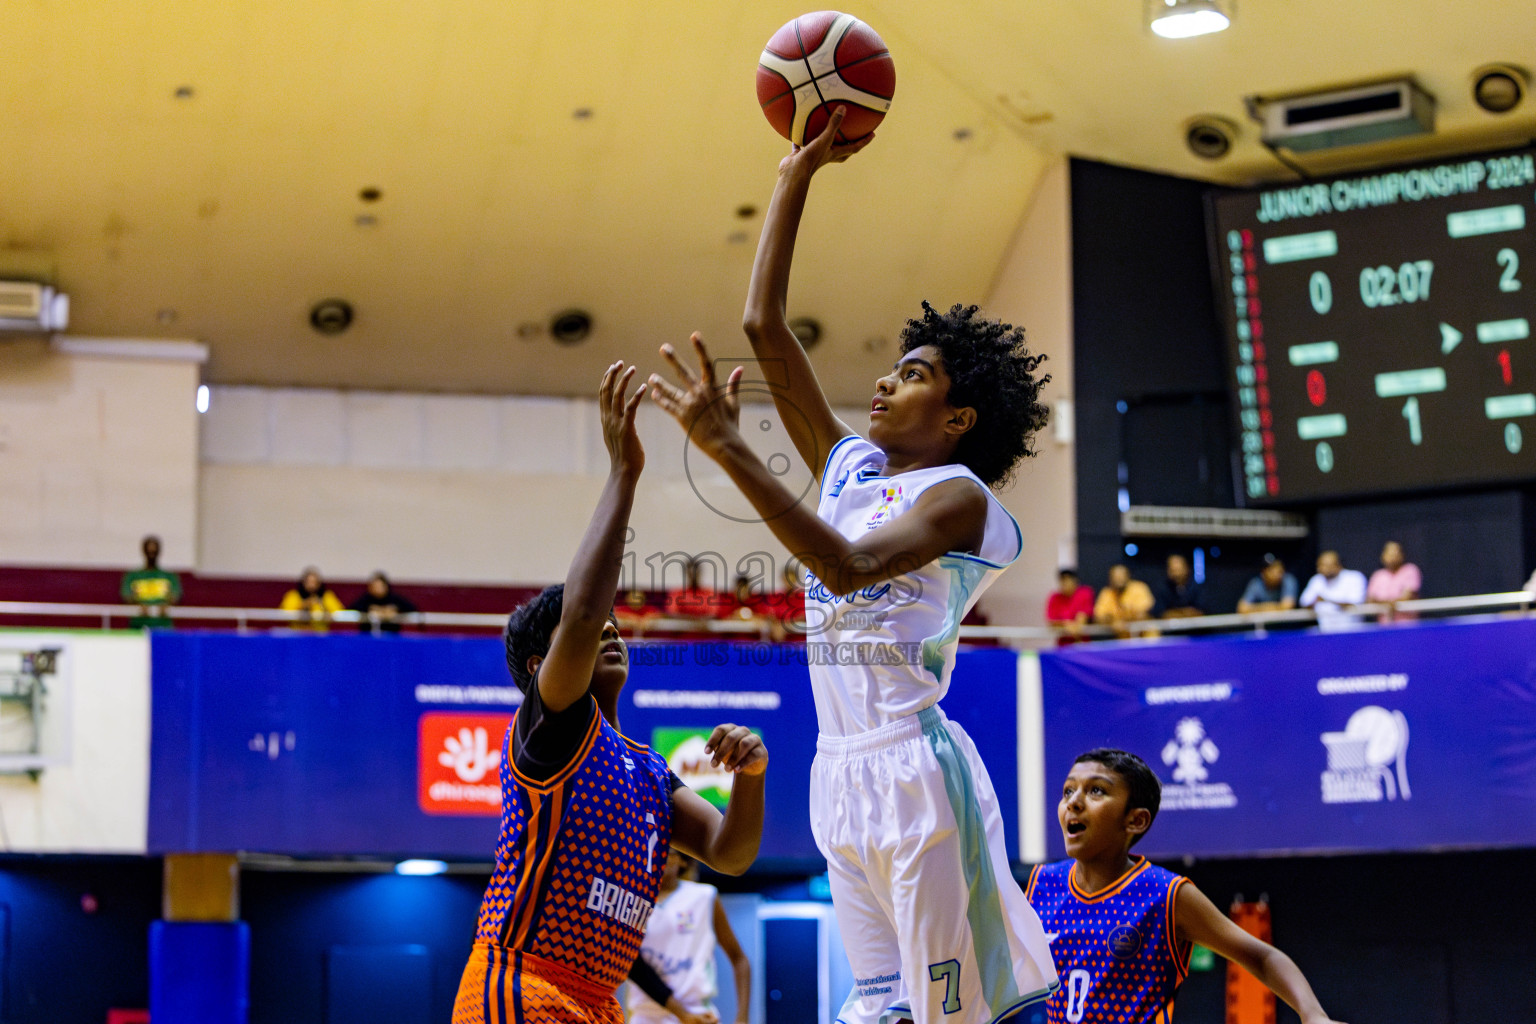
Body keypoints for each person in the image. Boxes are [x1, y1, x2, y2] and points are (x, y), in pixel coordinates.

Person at [646, 106, 1057, 1024]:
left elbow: (841, 567)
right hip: (836, 775)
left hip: (917, 773)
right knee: (876, 1009)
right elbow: (763, 322)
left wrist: (728, 448)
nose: (884, 380)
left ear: (957, 421)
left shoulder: (959, 498)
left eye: (912, 374)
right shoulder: (852, 468)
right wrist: (796, 176)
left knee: (958, 1012)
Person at [452, 363, 768, 1024]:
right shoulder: (555, 729)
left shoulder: (650, 772)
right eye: (598, 628)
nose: (611, 631)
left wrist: (753, 777)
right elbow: (586, 609)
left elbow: (731, 855)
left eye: (616, 626)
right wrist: (625, 472)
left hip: (599, 1003)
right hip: (523, 985)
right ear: (546, 663)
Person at [1026, 749, 1346, 1024]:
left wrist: (1312, 1014)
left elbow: (1262, 957)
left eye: (1096, 791)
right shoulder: (1042, 884)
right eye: (1068, 791)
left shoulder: (1166, 895)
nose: (1074, 802)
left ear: (1135, 820)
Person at [626, 850, 751, 1024]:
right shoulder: (632, 899)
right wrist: (681, 1013)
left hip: (699, 1013)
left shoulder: (704, 896)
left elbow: (739, 959)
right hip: (646, 1015)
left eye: (669, 854)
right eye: (654, 852)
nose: (661, 858)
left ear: (684, 861)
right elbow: (634, 967)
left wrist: (742, 1018)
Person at [119, 534, 181, 630]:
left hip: (163, 626)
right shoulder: (132, 576)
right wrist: (139, 604)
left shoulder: (170, 576)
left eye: (154, 551)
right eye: (149, 551)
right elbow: (127, 596)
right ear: (144, 551)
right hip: (138, 626)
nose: (151, 553)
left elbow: (175, 596)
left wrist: (166, 604)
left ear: (159, 552)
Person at [1298, 551, 1367, 618]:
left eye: (1327, 565)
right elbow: (1304, 602)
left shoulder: (1354, 577)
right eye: (1320, 565)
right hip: (1324, 628)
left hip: (1353, 628)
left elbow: (1355, 603)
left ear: (1338, 565)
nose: (1323, 569)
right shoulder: (1317, 580)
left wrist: (1325, 599)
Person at [1092, 565, 1155, 635]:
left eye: (1121, 576)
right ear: (1110, 579)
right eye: (1115, 577)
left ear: (1128, 576)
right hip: (1123, 641)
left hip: (1147, 639)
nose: (1119, 579)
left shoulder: (1139, 588)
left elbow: (1141, 615)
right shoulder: (1107, 593)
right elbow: (1099, 617)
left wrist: (1121, 622)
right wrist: (1112, 622)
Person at [349, 571, 418, 634]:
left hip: (392, 636)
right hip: (368, 636)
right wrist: (370, 610)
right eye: (374, 586)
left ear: (386, 587)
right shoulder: (365, 599)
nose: (377, 589)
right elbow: (350, 610)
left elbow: (412, 608)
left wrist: (395, 610)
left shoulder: (395, 599)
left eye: (380, 586)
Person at [279, 567, 344, 631]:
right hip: (297, 634)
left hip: (320, 635)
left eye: (314, 582)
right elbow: (285, 614)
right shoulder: (293, 595)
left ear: (319, 583)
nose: (311, 585)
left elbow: (339, 613)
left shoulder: (327, 596)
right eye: (309, 582)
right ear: (303, 582)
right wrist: (303, 605)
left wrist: (324, 607)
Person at [1366, 541, 1421, 615]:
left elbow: (1406, 598)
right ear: (1383, 556)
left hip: (1407, 624)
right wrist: (1389, 604)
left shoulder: (1410, 570)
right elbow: (1370, 600)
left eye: (1395, 553)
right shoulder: (1378, 575)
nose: (1392, 557)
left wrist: (1382, 603)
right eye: (1390, 554)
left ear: (1402, 555)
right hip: (1384, 624)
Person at [1045, 569, 1094, 644]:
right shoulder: (1054, 597)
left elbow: (1083, 616)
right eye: (1062, 581)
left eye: (1068, 580)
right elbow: (1052, 621)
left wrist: (1076, 626)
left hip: (1083, 644)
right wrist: (1067, 625)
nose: (1065, 584)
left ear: (1075, 581)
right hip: (1063, 645)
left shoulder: (1085, 592)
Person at [1153, 554, 1203, 619]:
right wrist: (1180, 614)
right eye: (1173, 570)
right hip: (1170, 628)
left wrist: (1181, 613)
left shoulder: (1196, 587)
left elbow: (1202, 611)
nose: (1176, 574)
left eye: (1179, 570)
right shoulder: (1162, 589)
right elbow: (1159, 613)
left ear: (1187, 568)